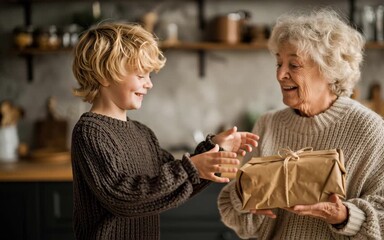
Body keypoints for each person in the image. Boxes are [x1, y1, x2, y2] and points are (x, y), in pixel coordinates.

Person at [217, 9, 384, 239]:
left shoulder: (367, 128)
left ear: (329, 70)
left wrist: (344, 216)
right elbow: (240, 219)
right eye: (279, 63)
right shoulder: (268, 125)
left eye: (294, 65)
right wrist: (245, 195)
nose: (281, 74)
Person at [70, 22, 259, 240]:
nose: (149, 84)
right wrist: (192, 167)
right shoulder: (91, 132)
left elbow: (173, 185)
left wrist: (214, 149)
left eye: (149, 75)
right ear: (104, 76)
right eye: (141, 75)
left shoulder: (143, 133)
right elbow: (122, 198)